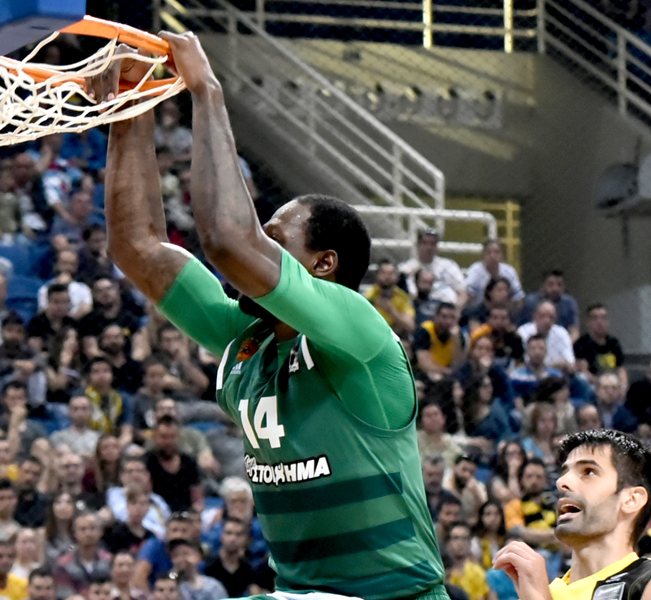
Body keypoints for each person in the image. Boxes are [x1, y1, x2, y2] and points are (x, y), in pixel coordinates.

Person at [98, 32, 447, 600]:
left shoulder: (359, 331)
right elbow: (136, 247)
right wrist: (130, 107)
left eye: (275, 239)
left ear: (323, 265)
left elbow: (229, 240)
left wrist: (206, 91)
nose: (259, 249)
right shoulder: (250, 339)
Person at [492, 428, 651, 600]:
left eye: (589, 471)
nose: (562, 482)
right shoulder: (540, 590)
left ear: (631, 500)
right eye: (564, 472)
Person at [399, 229, 467, 306]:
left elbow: (462, 293)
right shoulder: (405, 269)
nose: (429, 247)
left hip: (446, 310)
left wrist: (456, 310)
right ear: (417, 245)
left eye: (432, 244)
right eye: (425, 243)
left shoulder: (448, 266)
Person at [54, 512, 111, 598]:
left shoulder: (109, 561)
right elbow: (64, 595)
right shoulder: (64, 564)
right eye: (83, 529)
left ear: (101, 532)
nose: (88, 533)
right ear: (75, 533)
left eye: (92, 528)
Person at [572, 304, 627, 388]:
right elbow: (583, 371)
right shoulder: (582, 343)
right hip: (593, 385)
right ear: (588, 323)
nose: (599, 321)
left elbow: (620, 368)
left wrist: (623, 385)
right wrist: (602, 385)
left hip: (614, 384)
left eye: (603, 318)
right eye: (595, 318)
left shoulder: (614, 343)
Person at [202, 518, 257, 597]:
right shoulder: (208, 566)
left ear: (246, 539)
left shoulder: (249, 570)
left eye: (238, 534)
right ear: (222, 536)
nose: (233, 538)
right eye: (228, 533)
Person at [520, 270, 580, 341]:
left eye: (559, 285)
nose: (555, 288)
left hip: (559, 341)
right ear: (542, 286)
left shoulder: (569, 303)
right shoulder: (530, 302)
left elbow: (574, 331)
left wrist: (566, 345)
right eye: (550, 284)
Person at [363, 258, 415, 340]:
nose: (387, 276)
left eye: (391, 273)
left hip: (396, 337)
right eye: (383, 273)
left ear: (397, 277)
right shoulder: (368, 296)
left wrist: (390, 310)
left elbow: (410, 325)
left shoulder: (403, 297)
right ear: (377, 275)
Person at [414, 302, 466, 381]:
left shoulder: (458, 336)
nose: (448, 321)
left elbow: (459, 363)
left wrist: (456, 341)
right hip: (422, 374)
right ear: (436, 317)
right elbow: (423, 363)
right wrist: (445, 371)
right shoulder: (425, 331)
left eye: (452, 318)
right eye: (444, 317)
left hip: (445, 378)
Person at [465, 240, 524, 307]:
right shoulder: (476, 270)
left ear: (502, 256)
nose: (492, 256)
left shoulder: (509, 271)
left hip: (504, 310)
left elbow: (518, 297)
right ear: (483, 255)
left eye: (497, 252)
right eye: (489, 252)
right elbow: (467, 296)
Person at [444, 523, 488, 600]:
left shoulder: (477, 572)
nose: (460, 543)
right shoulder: (442, 571)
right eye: (456, 538)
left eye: (464, 538)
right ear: (448, 542)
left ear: (470, 543)